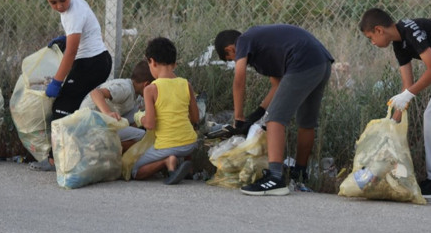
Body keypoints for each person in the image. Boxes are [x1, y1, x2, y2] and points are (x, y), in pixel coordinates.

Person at [359, 8, 431, 199]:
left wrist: (408, 95)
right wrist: (393, 123)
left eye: (370, 37)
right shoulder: (399, 44)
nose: (372, 42)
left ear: (379, 30)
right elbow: (408, 85)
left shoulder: (410, 32)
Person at [214, 25, 334, 196]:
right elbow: (277, 85)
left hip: (302, 61)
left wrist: (238, 118)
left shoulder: (243, 41)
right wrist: (257, 113)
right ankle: (300, 172)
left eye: (231, 59)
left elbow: (239, 80)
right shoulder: (262, 48)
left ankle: (275, 178)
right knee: (306, 122)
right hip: (320, 62)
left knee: (275, 120)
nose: (235, 61)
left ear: (230, 49)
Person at [31, 0, 112, 171]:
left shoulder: (74, 12)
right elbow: (77, 38)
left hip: (91, 63)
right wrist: (65, 38)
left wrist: (57, 82)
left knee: (62, 107)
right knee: (78, 108)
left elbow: (72, 52)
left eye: (62, 0)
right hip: (95, 61)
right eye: (53, 2)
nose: (59, 6)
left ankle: (55, 160)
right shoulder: (73, 3)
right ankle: (81, 156)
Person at [131, 37, 200, 185]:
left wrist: (139, 116)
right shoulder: (186, 84)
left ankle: (167, 162)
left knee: (135, 171)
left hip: (168, 147)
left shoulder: (151, 89)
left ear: (152, 62)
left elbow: (150, 124)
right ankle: (188, 168)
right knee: (185, 130)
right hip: (190, 144)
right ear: (175, 64)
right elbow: (195, 118)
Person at [79, 59, 153, 150]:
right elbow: (95, 93)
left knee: (139, 112)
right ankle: (99, 148)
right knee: (141, 136)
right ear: (146, 85)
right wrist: (107, 113)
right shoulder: (125, 88)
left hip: (100, 120)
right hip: (90, 123)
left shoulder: (135, 92)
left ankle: (114, 140)